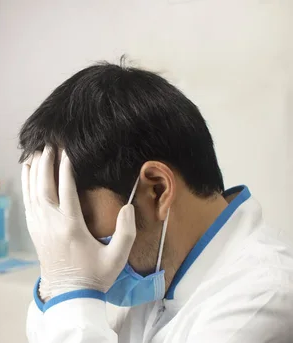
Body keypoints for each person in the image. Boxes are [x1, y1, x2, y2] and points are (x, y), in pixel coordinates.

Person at [18, 60, 293, 342]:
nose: (69, 240)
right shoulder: (158, 276)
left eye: (81, 217)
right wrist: (55, 286)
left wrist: (72, 296)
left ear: (157, 190)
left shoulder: (263, 299)